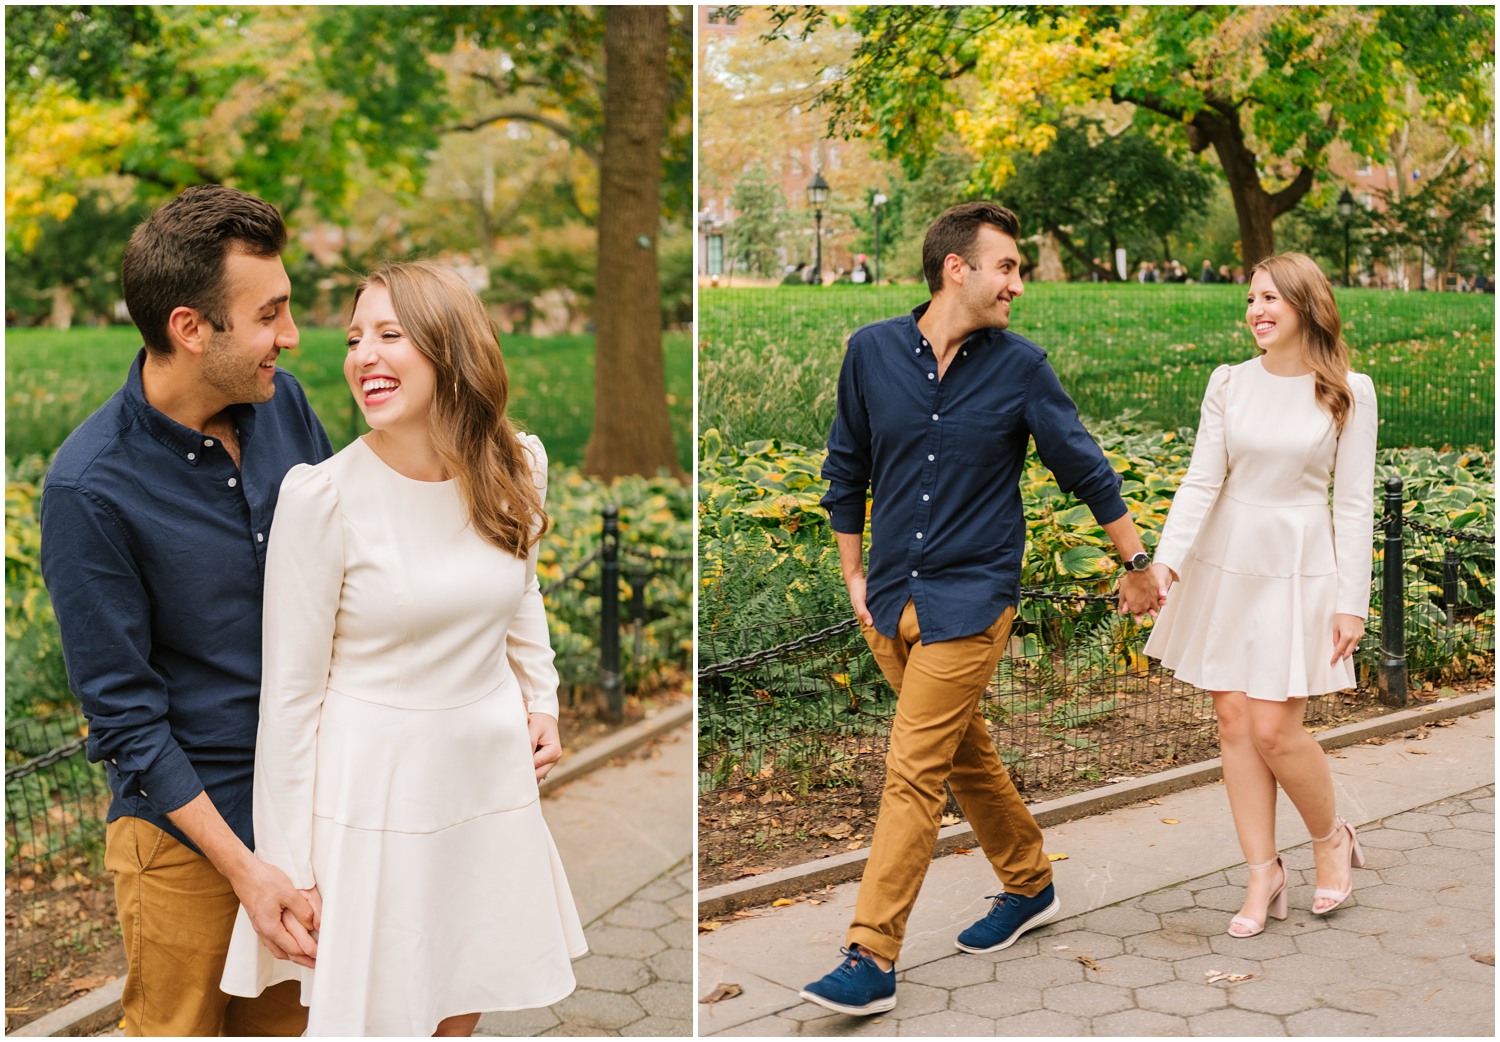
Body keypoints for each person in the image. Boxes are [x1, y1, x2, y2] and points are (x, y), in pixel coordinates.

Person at [802, 201, 1164, 1016]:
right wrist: (853, 573)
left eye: (1020, 270)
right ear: (955, 268)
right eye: (1007, 267)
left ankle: (870, 953)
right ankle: (1030, 884)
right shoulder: (870, 354)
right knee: (965, 757)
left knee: (914, 768)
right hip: (891, 597)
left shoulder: (1021, 368)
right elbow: (846, 466)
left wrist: (1136, 562)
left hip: (972, 598)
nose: (1019, 285)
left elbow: (1086, 468)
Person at [219, 261, 587, 1035]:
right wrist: (291, 868)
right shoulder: (322, 498)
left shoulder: (518, 462)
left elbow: (520, 589)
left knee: (462, 998)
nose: (363, 356)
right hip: (372, 798)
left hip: (484, 780)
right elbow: (289, 697)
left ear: (451, 350)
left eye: (391, 333)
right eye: (355, 338)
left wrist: (543, 698)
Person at [39, 185, 332, 1036]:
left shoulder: (290, 409)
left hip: (300, 818)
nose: (290, 335)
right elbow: (125, 719)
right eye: (270, 313)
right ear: (190, 327)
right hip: (184, 840)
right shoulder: (91, 487)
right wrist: (245, 869)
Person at [1145, 252, 1378, 939]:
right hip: (1227, 562)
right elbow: (1200, 481)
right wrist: (1166, 565)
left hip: (1301, 567)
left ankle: (1330, 838)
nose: (1258, 311)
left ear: (1307, 305)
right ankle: (1262, 872)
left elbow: (1355, 504)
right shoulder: (1229, 383)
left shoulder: (1348, 391)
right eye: (1252, 299)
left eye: (1272, 298)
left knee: (1277, 728)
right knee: (1234, 723)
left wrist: (1352, 601)